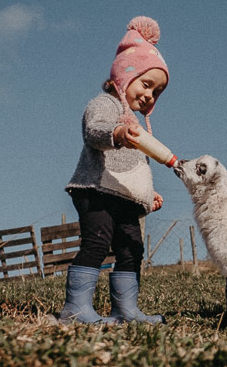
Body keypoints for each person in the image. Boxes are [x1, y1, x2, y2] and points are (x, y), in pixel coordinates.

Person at [59, 16, 170, 325]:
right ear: (124, 75)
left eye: (156, 92)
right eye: (147, 84)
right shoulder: (105, 104)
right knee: (97, 242)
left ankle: (126, 309)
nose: (149, 95)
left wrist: (148, 193)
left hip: (124, 197)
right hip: (95, 190)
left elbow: (135, 167)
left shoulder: (135, 124)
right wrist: (117, 134)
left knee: (132, 248)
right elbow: (93, 131)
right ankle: (75, 308)